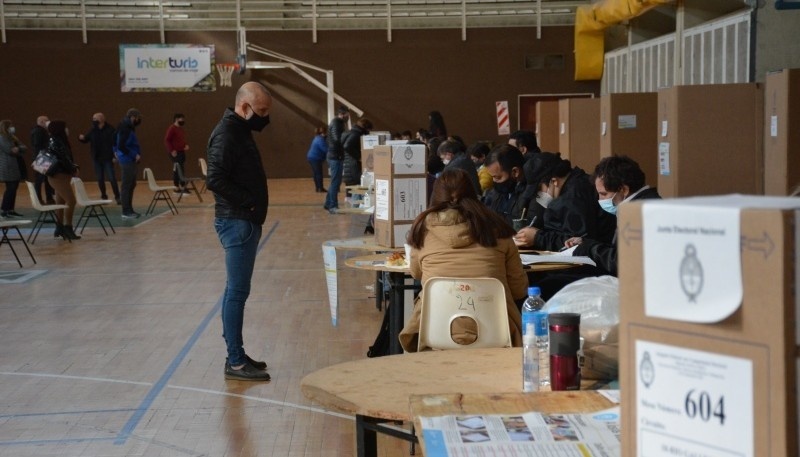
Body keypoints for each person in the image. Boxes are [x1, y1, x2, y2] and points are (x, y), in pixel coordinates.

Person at [399, 168, 527, 352]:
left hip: (435, 332)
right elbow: (518, 289)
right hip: (499, 332)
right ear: (473, 193)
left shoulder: (421, 230)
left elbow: (417, 273)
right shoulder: (499, 230)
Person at [206, 81, 273, 382]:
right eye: (260, 111)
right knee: (237, 292)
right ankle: (235, 362)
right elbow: (215, 179)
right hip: (237, 222)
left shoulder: (239, 130)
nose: (264, 118)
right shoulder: (227, 133)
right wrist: (248, 204)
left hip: (242, 221)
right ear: (244, 107)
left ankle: (236, 353)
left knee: (235, 291)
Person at [565, 155, 661, 276]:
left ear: (623, 190)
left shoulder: (641, 213)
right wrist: (586, 243)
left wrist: (590, 248)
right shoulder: (636, 206)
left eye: (604, 194)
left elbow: (622, 262)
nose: (600, 199)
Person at [513, 152, 616, 252]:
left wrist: (537, 237)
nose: (538, 196)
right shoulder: (579, 182)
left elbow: (575, 243)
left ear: (554, 181)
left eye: (539, 190)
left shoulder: (572, 197)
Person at [45, 120, 81, 240]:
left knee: (60, 203)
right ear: (60, 129)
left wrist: (73, 167)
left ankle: (59, 227)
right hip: (58, 176)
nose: (67, 130)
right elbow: (63, 159)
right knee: (71, 200)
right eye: (65, 128)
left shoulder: (57, 141)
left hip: (61, 175)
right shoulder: (56, 141)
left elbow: (65, 158)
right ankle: (68, 227)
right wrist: (73, 169)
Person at [482, 144, 531, 228]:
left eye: (497, 177)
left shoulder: (530, 194)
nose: (494, 181)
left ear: (515, 172)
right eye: (492, 177)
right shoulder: (497, 192)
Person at [78, 112, 120, 204]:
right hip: (97, 158)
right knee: (100, 178)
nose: (94, 120)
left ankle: (118, 197)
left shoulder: (110, 129)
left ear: (102, 119)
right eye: (93, 118)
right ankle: (103, 196)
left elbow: (115, 143)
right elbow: (86, 139)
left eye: (95, 118)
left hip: (108, 158)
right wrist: (81, 138)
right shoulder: (93, 130)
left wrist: (114, 156)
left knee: (112, 178)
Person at [114, 108, 143, 219]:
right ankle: (126, 211)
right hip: (127, 160)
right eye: (137, 118)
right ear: (133, 117)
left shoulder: (124, 126)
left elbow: (113, 138)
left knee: (131, 184)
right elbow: (121, 145)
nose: (138, 120)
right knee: (127, 186)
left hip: (128, 160)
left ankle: (129, 209)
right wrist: (134, 155)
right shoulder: (125, 128)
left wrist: (114, 151)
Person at [324, 105, 349, 214]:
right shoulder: (336, 123)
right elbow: (337, 139)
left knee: (335, 181)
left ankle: (328, 203)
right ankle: (333, 206)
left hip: (335, 155)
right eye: (347, 115)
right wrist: (347, 137)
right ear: (342, 114)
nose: (348, 117)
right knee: (336, 182)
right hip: (335, 156)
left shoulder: (339, 123)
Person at [0, 120, 27, 218]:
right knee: (10, 189)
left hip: (15, 165)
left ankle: (11, 209)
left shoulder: (13, 137)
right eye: (10, 126)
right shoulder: (2, 138)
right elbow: (10, 150)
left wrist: (18, 149)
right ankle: (4, 210)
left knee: (14, 188)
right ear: (5, 127)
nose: (12, 127)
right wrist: (17, 149)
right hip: (7, 166)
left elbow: (24, 147)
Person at [30, 115, 55, 204]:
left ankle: (49, 198)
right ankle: (39, 199)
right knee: (40, 180)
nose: (49, 122)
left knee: (45, 179)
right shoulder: (38, 131)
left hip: (42, 158)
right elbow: (37, 145)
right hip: (41, 159)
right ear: (41, 122)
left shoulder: (41, 131)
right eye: (47, 120)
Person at [164, 113, 190, 195]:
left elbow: (181, 140)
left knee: (181, 169)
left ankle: (182, 186)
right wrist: (172, 150)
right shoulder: (172, 128)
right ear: (176, 119)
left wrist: (185, 145)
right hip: (175, 153)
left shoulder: (180, 129)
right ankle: (176, 187)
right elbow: (167, 140)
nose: (183, 121)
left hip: (181, 152)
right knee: (177, 169)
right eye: (181, 119)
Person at [342, 117, 373, 186]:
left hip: (348, 164)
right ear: (365, 128)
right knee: (355, 188)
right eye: (368, 130)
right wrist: (359, 157)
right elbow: (347, 146)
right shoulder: (356, 134)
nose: (368, 133)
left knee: (350, 190)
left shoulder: (349, 132)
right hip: (353, 165)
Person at [306, 126, 327, 192]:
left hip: (312, 157)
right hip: (315, 158)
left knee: (316, 173)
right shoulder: (320, 140)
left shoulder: (317, 138)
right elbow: (325, 149)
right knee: (318, 173)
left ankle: (317, 187)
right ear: (323, 133)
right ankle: (320, 188)